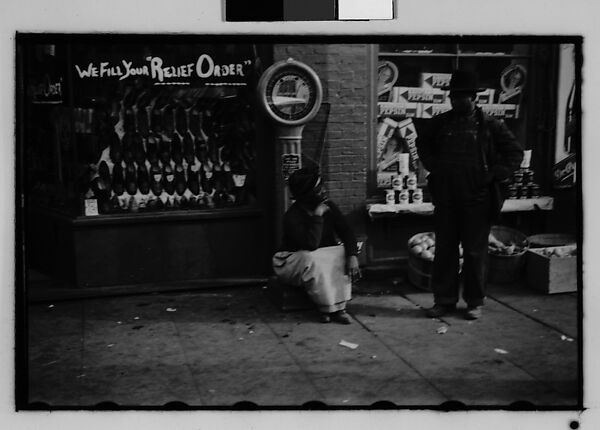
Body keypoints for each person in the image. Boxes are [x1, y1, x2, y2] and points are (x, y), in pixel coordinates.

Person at [416, 69, 524, 320]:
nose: (456, 101)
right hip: (446, 198)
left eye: (461, 97)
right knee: (445, 250)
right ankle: (444, 300)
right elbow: (422, 143)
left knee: (475, 253)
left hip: (477, 199)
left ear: (474, 99)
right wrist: (433, 164)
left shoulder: (491, 126)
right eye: (453, 96)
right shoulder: (440, 123)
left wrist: (495, 174)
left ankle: (474, 302)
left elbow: (515, 154)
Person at [272, 168, 361, 324]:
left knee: (340, 252)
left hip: (321, 257)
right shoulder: (292, 216)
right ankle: (326, 308)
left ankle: (340, 308)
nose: (324, 191)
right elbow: (310, 244)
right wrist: (317, 216)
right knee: (311, 257)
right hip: (290, 262)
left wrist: (352, 255)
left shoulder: (330, 207)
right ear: (307, 194)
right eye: (319, 189)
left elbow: (347, 232)